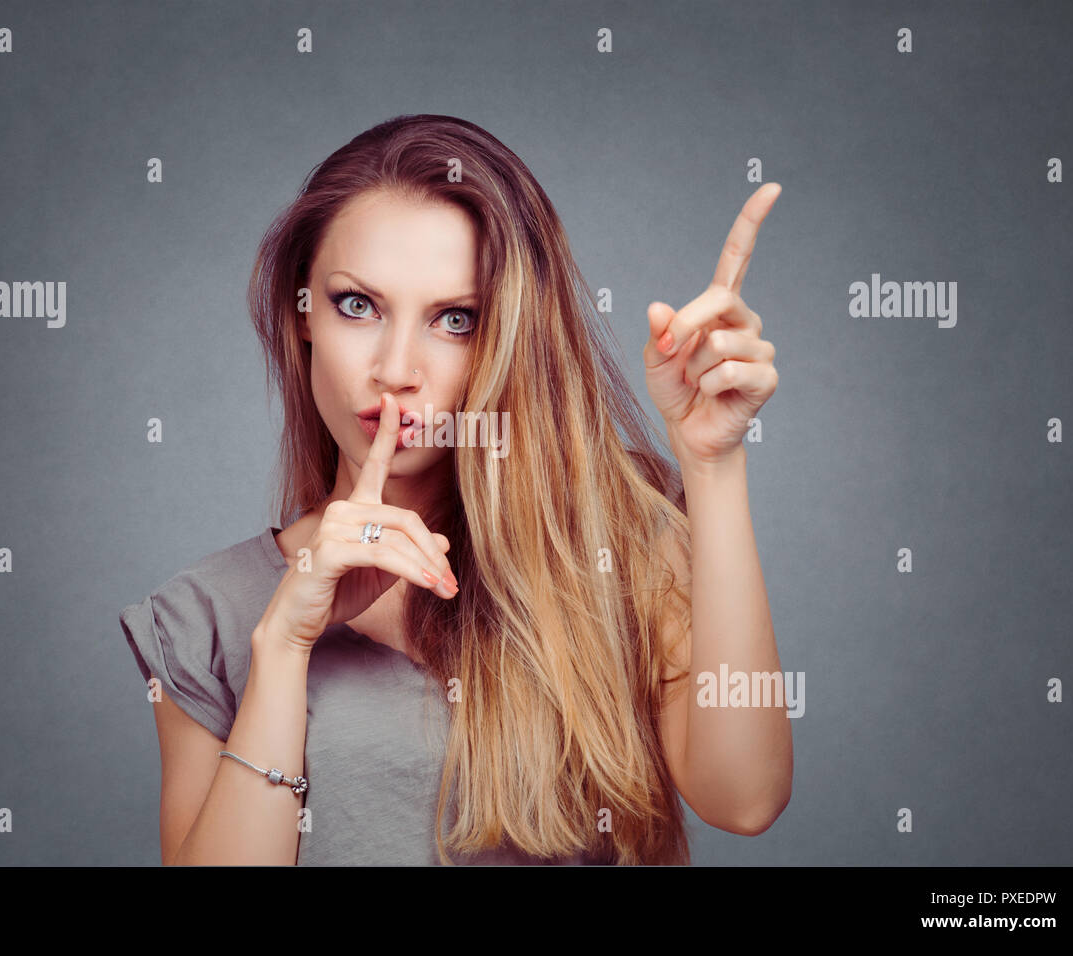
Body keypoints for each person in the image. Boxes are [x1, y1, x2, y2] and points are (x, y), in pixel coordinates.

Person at [120, 114, 792, 865]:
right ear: (298, 314)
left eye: (456, 320)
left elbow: (745, 797)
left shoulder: (618, 536)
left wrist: (713, 462)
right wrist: (283, 647)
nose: (397, 367)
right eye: (356, 305)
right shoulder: (206, 617)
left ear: (510, 338)